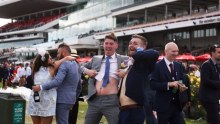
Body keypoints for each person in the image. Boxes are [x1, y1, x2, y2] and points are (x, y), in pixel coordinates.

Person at [81, 32, 128, 124]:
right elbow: (79, 67)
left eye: (111, 44)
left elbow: (136, 67)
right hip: (94, 100)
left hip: (112, 101)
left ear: (116, 45)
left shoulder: (123, 59)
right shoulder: (96, 59)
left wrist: (125, 72)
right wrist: (87, 71)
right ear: (103, 45)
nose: (108, 46)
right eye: (106, 43)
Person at [33, 43, 80, 124]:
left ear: (63, 53)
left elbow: (57, 81)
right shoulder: (76, 64)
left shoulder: (65, 64)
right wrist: (74, 96)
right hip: (71, 99)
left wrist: (40, 87)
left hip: (62, 99)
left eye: (58, 53)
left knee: (62, 122)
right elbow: (79, 84)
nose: (57, 55)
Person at [117, 34, 159, 124]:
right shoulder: (128, 64)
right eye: (130, 43)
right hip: (123, 110)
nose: (131, 45)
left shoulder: (144, 63)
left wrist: (135, 57)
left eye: (135, 43)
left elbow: (155, 53)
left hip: (135, 109)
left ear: (143, 47)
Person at [150, 42, 188, 124]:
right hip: (163, 106)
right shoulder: (157, 66)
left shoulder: (178, 66)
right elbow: (152, 85)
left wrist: (182, 86)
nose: (176, 54)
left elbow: (180, 80)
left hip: (177, 106)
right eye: (173, 51)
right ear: (166, 51)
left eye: (177, 51)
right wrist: (168, 84)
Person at [198, 44, 220, 124]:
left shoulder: (216, 65)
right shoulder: (206, 65)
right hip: (208, 98)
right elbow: (206, 81)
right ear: (212, 53)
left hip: (214, 97)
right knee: (216, 120)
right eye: (219, 52)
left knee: (212, 120)